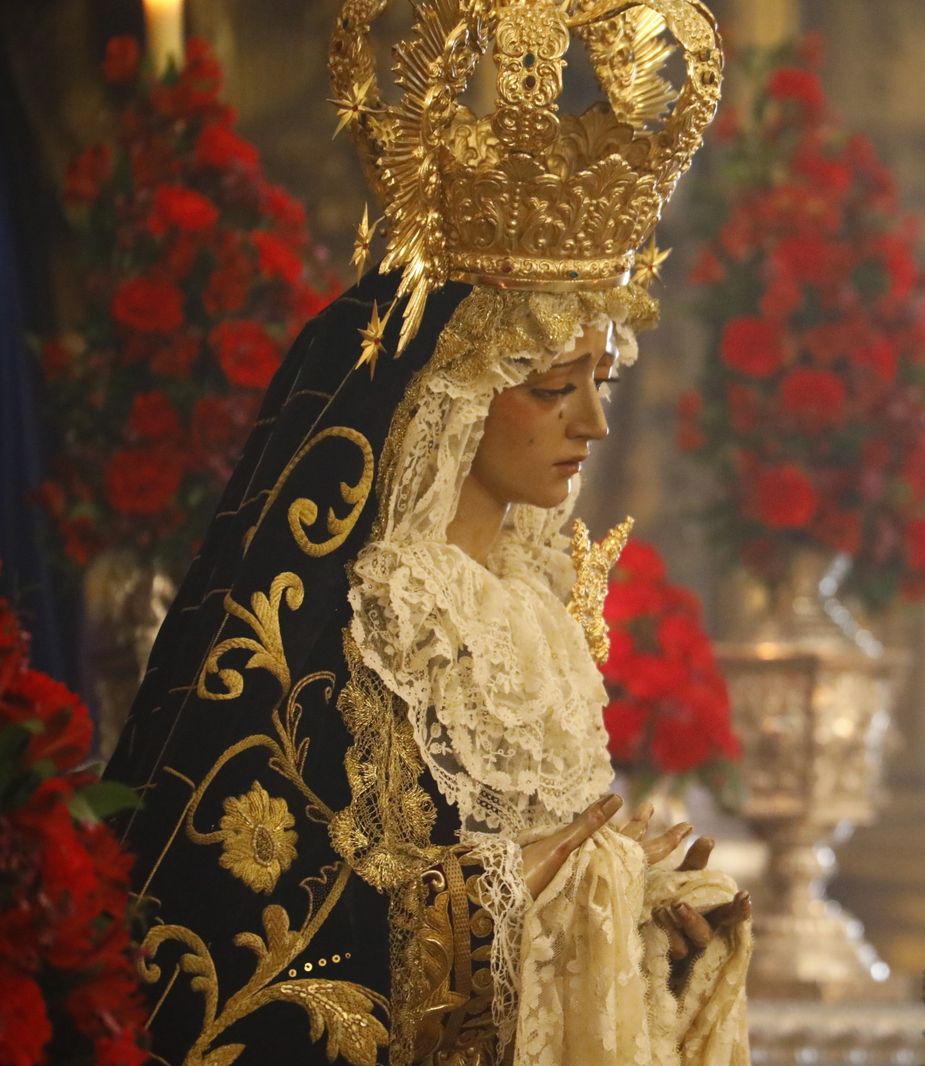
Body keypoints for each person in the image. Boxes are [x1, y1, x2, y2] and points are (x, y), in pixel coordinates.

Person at [105, 2, 746, 1062]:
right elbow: (255, 902)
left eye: (600, 382)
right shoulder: (358, 613)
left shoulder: (535, 605)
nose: (591, 423)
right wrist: (516, 892)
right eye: (551, 387)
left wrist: (644, 909)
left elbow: (565, 868)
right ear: (450, 395)